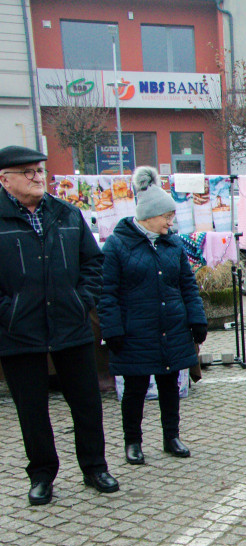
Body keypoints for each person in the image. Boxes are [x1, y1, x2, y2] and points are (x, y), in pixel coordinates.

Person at [0, 145, 118, 505]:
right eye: (29, 173)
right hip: (18, 331)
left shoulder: (67, 213)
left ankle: (95, 467)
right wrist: (8, 311)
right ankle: (41, 475)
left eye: (40, 171)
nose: (38, 178)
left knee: (86, 402)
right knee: (32, 409)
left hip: (71, 326)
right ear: (4, 179)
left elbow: (93, 265)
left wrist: (83, 301)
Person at [99, 167, 207, 465]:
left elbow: (187, 284)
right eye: (167, 216)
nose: (171, 221)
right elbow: (107, 292)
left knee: (170, 385)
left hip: (171, 326)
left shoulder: (172, 243)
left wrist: (197, 319)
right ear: (149, 214)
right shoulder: (117, 245)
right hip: (136, 330)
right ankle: (133, 442)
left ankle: (171, 436)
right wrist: (112, 330)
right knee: (134, 390)